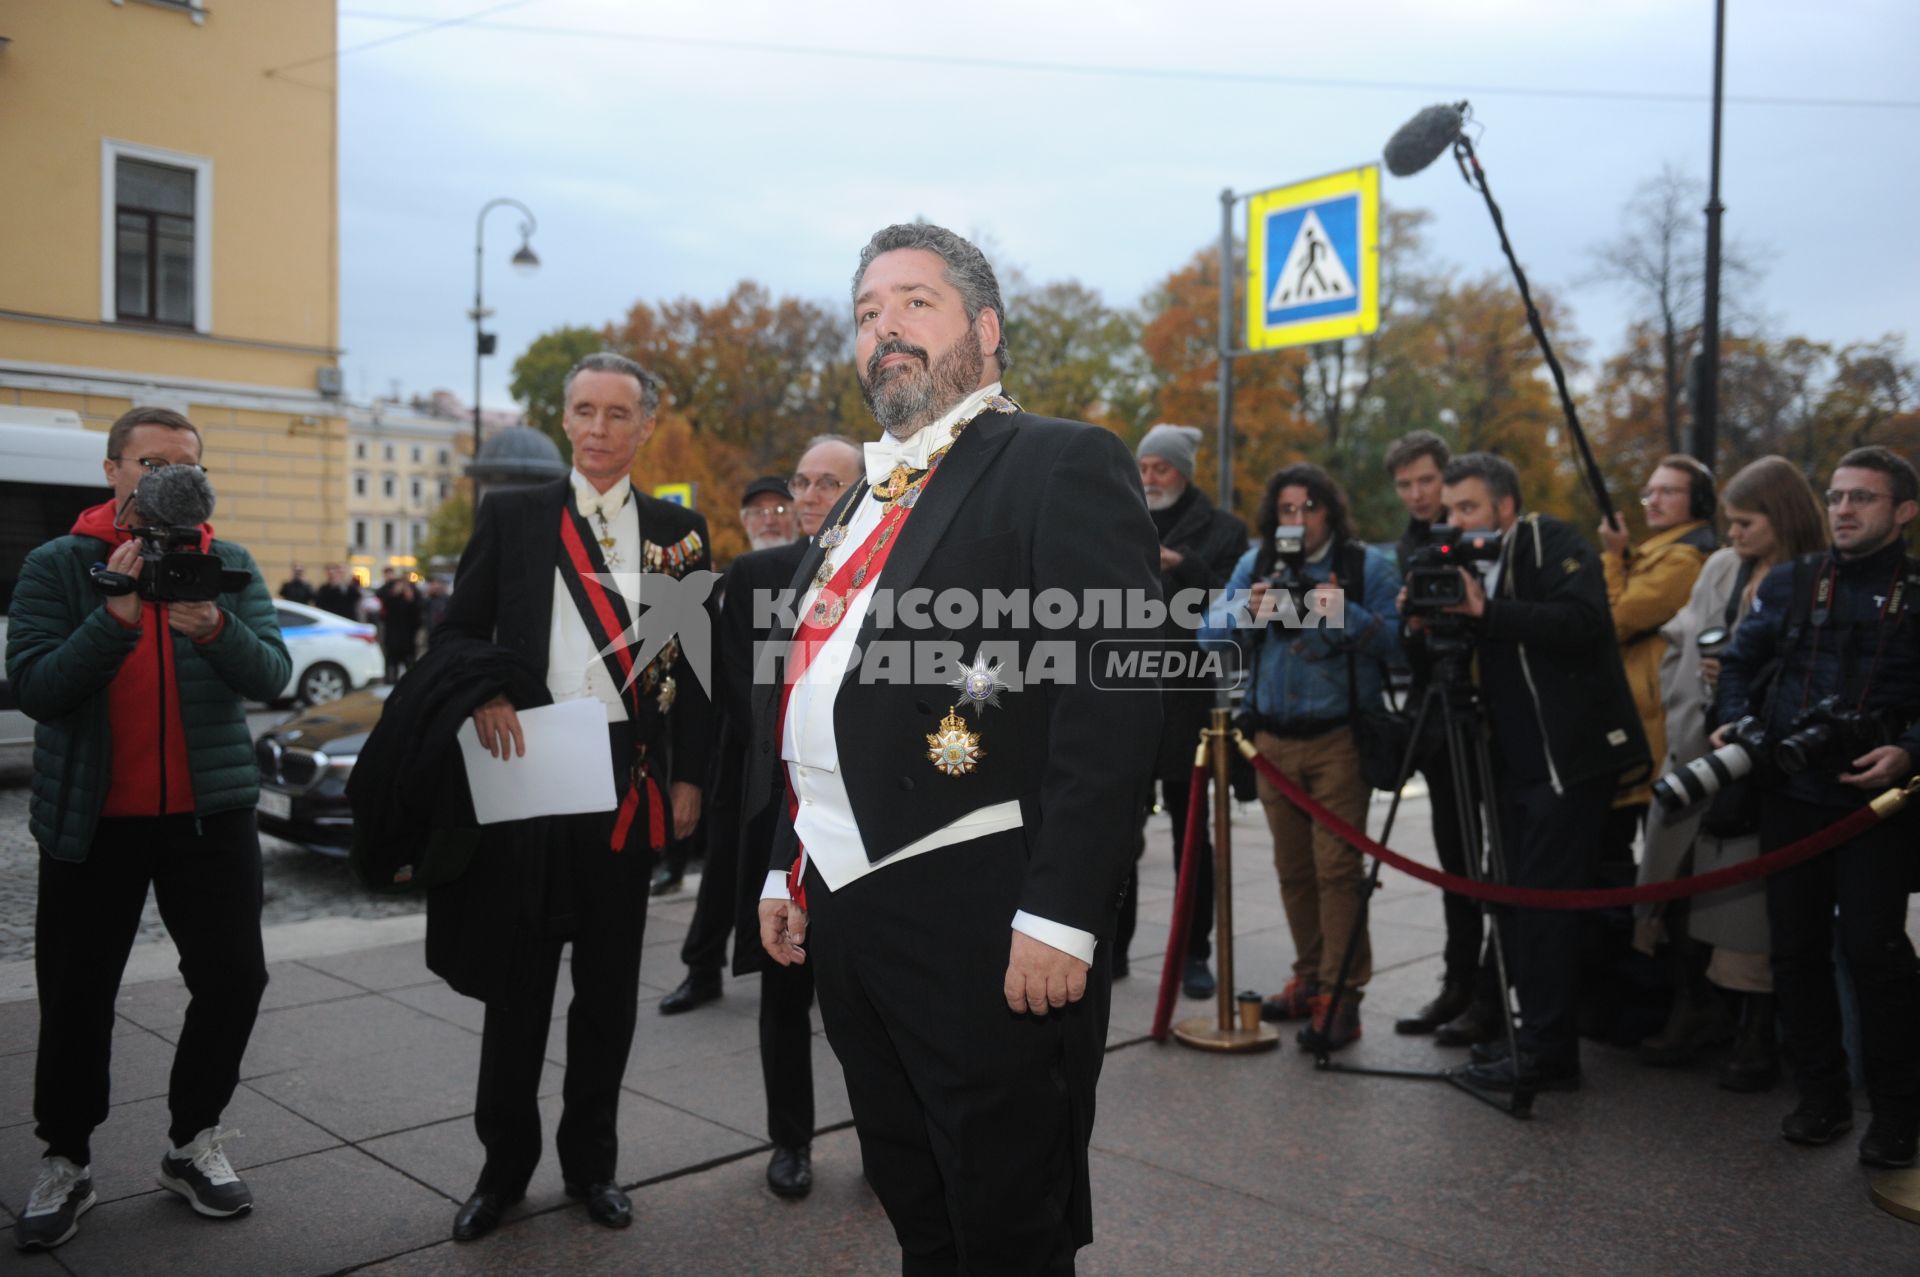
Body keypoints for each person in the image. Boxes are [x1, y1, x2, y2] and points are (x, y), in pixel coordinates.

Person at [754, 223, 1160, 1271]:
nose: (885, 326)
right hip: (846, 903)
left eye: (914, 302)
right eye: (867, 312)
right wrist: (787, 862)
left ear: (984, 329)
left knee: (1006, 1215)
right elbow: (815, 688)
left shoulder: (1059, 461)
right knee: (914, 1192)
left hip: (983, 906)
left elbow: (1109, 701)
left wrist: (1065, 912)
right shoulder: (860, 495)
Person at [429, 353, 716, 1240]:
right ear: (564, 421)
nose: (597, 428)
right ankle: (502, 1171)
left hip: (625, 790)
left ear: (645, 426)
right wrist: (483, 692)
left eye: (616, 413)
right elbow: (455, 633)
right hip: (528, 776)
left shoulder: (680, 530)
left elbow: (694, 671)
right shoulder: (515, 516)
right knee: (517, 993)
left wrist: (690, 773)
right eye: (583, 411)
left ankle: (593, 1165)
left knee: (607, 992)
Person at [6, 407, 291, 1253]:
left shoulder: (225, 562)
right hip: (94, 818)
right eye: (151, 461)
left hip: (211, 813)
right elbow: (35, 688)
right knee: (77, 995)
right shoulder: (58, 564)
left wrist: (215, 626)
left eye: (186, 463)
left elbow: (272, 673)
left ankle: (191, 1139)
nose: (170, 476)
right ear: (112, 470)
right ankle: (66, 1155)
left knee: (236, 978)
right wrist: (115, 620)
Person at [659, 439, 865, 1201]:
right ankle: (791, 1141)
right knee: (784, 989)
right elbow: (740, 696)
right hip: (780, 810)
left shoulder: (893, 570)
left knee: (869, 999)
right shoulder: (755, 576)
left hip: (867, 818)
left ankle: (887, 1140)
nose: (807, 496)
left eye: (827, 483)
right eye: (800, 483)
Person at [1713, 445, 1920, 1169]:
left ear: (1904, 511)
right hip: (1789, 792)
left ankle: (1897, 1114)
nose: (1843, 509)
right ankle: (1821, 1096)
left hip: (1877, 803)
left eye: (1862, 497)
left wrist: (1909, 750)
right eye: (1835, 496)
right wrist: (1736, 721)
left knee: (1874, 950)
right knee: (1794, 952)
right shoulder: (1797, 581)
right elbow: (1738, 662)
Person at [1418, 453, 1649, 1092]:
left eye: (1468, 508)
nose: (1457, 522)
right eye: (1451, 512)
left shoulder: (1549, 539)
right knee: (1517, 904)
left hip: (1566, 761)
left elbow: (1583, 623)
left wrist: (1487, 614)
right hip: (1512, 762)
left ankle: (1550, 1051)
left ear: (1505, 505)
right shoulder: (1469, 559)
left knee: (1545, 910)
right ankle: (1533, 1038)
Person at [1636, 456, 1827, 1086]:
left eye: (1745, 523)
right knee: (1681, 889)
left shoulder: (1815, 576)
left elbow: (1623, 617)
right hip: (1697, 746)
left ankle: (1753, 1031)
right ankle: (1698, 1009)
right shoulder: (1718, 566)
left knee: (1748, 902)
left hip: (1763, 763)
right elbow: (1675, 643)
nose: (1735, 534)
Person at [1201, 463, 1401, 1051]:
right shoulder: (1257, 564)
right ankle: (1310, 977)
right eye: (1287, 509)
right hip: (1271, 742)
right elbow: (1207, 635)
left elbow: (1399, 641)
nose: (1298, 519)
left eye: (1310, 508)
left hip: (1339, 738)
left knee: (1337, 871)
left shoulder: (1367, 567)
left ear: (1330, 512)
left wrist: (1343, 611)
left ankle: (1341, 996)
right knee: (1294, 871)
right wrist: (1247, 611)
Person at [1110, 422, 1247, 996]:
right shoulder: (1117, 517)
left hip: (1191, 702)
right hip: (1123, 696)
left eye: (1159, 468)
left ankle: (1194, 953)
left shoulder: (1223, 529)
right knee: (1115, 834)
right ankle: (1110, 950)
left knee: (1194, 836)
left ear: (1183, 471)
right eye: (1142, 467)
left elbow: (1238, 600)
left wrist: (1182, 565)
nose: (1148, 478)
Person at [1381, 430, 1488, 1040]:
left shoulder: (1478, 538)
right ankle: (1460, 983)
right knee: (1456, 857)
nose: (1418, 494)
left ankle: (1493, 992)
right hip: (1436, 715)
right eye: (1405, 485)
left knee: (1493, 861)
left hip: (1485, 714)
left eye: (1427, 481)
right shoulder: (1408, 546)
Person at [738, 475, 798, 553]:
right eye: (758, 512)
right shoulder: (736, 565)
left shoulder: (816, 564)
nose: (769, 521)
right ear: (745, 522)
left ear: (798, 520)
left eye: (780, 510)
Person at [381, 574, 422, 683]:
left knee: (409, 660)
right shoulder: (389, 598)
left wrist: (410, 600)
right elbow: (384, 613)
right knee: (392, 660)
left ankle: (411, 680)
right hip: (393, 636)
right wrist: (394, 594)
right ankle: (391, 678)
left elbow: (417, 616)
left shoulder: (413, 597)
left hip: (407, 636)